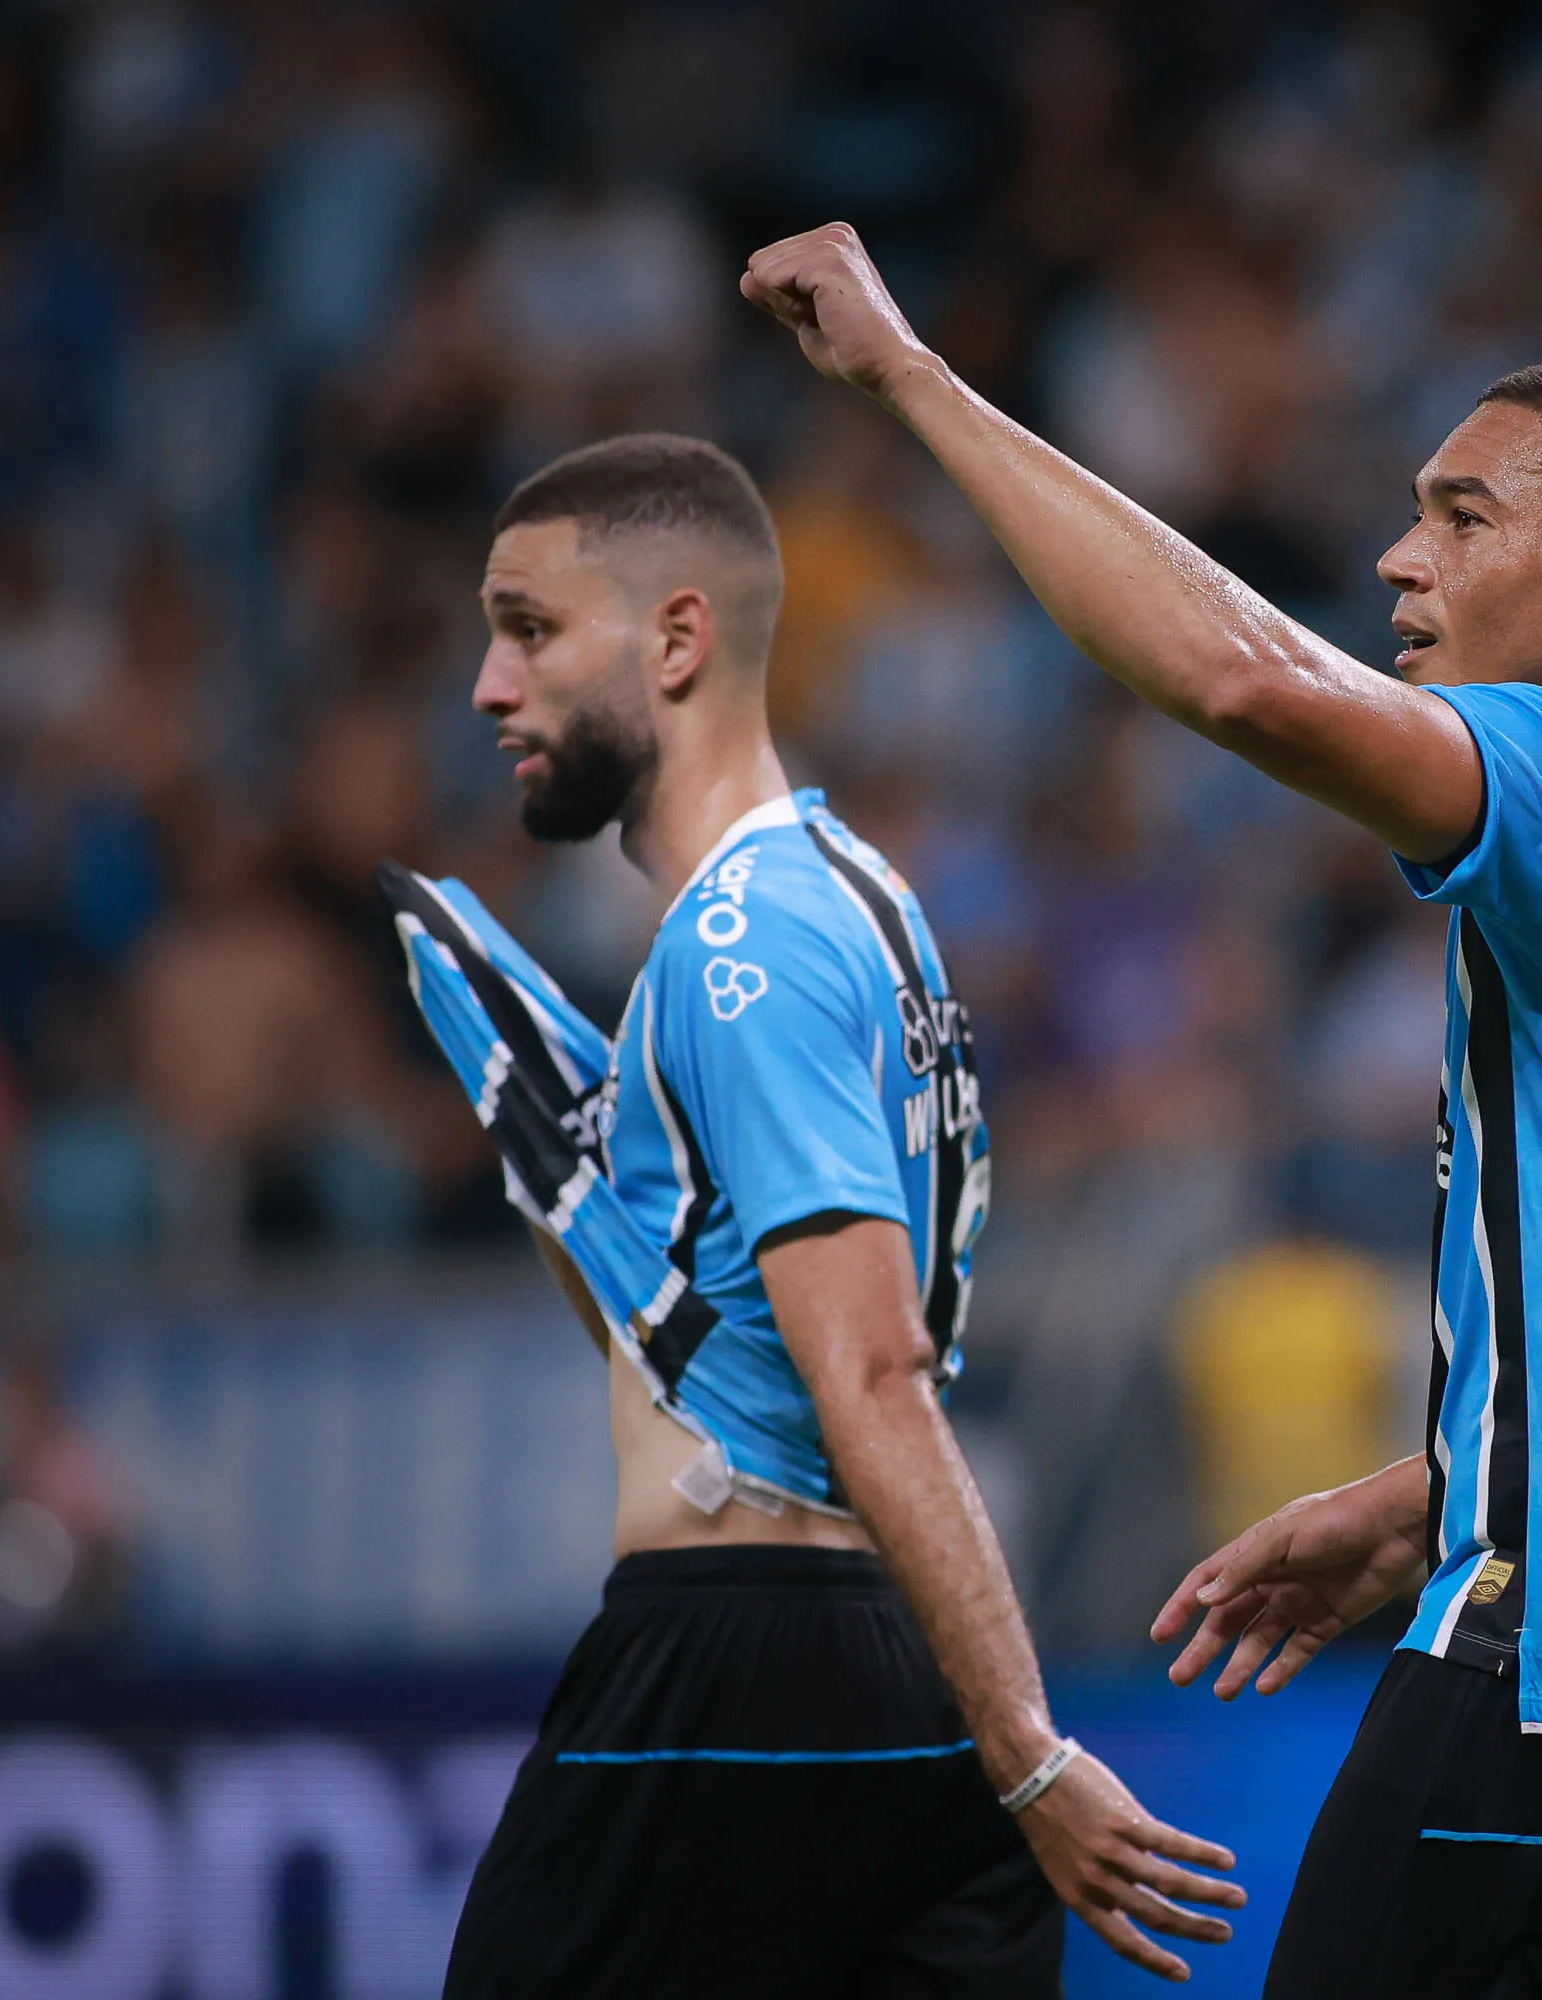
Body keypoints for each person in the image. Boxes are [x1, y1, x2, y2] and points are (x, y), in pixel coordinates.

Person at [743, 229, 1542, 1998]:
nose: (1400, 561)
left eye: (1465, 518)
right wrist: (1439, 1491)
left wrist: (910, 380)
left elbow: (1248, 684)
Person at [430, 433, 1242, 1994]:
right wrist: (592, 1219)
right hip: (895, 1640)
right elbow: (754, 1327)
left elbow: (867, 1366)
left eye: (529, 627)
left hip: (734, 1649)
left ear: (677, 637)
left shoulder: (745, 945)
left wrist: (1029, 1754)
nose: (488, 685)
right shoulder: (861, 899)